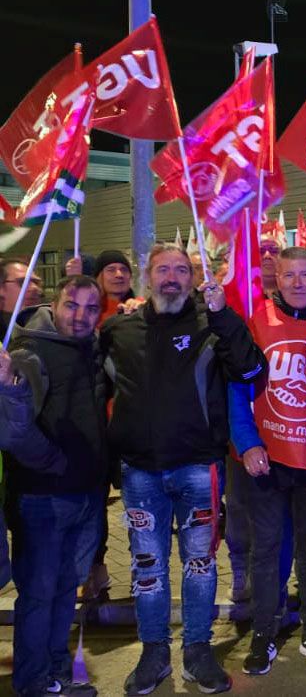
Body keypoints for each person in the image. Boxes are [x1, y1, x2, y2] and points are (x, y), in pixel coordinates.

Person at [102, 244, 265, 695]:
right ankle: (154, 652)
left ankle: (197, 650)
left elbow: (251, 370)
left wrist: (224, 315)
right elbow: (95, 388)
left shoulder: (212, 325)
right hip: (140, 473)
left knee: (200, 564)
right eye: (162, 270)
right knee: (147, 567)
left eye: (181, 270)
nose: (172, 277)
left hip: (199, 468)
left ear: (195, 278)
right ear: (147, 275)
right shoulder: (119, 328)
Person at [225, 247, 306, 675]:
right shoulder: (256, 321)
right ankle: (263, 630)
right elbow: (237, 388)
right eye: (288, 275)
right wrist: (247, 443)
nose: (297, 283)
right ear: (275, 276)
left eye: (305, 275)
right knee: (266, 549)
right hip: (266, 459)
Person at [0, 276, 108, 697]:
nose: (80, 316)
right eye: (71, 305)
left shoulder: (92, 349)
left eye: (91, 308)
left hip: (86, 496)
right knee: (40, 596)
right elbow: (13, 433)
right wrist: (56, 464)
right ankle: (33, 682)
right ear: (54, 304)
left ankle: (57, 672)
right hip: (41, 500)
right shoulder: (30, 352)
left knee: (65, 591)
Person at [92, 249, 136, 323]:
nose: (119, 275)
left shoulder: (139, 307)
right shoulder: (89, 311)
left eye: (124, 269)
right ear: (99, 277)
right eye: (111, 270)